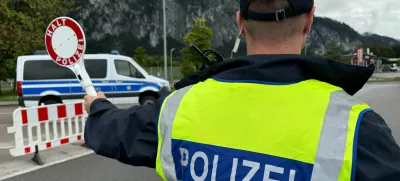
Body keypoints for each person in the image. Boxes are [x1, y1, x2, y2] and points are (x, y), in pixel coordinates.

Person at [83, 0, 400, 180]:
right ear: (309, 20)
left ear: (240, 22)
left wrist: (98, 106)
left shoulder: (177, 107)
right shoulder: (357, 128)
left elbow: (112, 132)